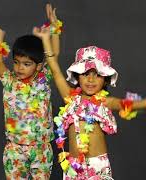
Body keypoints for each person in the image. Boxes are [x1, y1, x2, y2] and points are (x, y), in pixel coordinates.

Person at [33, 26, 146, 179]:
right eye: (85, 74)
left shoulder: (105, 101)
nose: (91, 80)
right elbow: (55, 70)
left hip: (97, 166)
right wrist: (46, 39)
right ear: (77, 76)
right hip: (74, 166)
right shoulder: (71, 98)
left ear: (105, 79)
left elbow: (129, 104)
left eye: (97, 75)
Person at [0, 4, 62, 179]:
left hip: (41, 148)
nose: (20, 68)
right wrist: (0, 36)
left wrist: (55, 27)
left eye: (27, 64)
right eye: (17, 62)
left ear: (39, 65)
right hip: (15, 148)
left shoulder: (44, 77)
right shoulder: (9, 80)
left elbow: (55, 54)